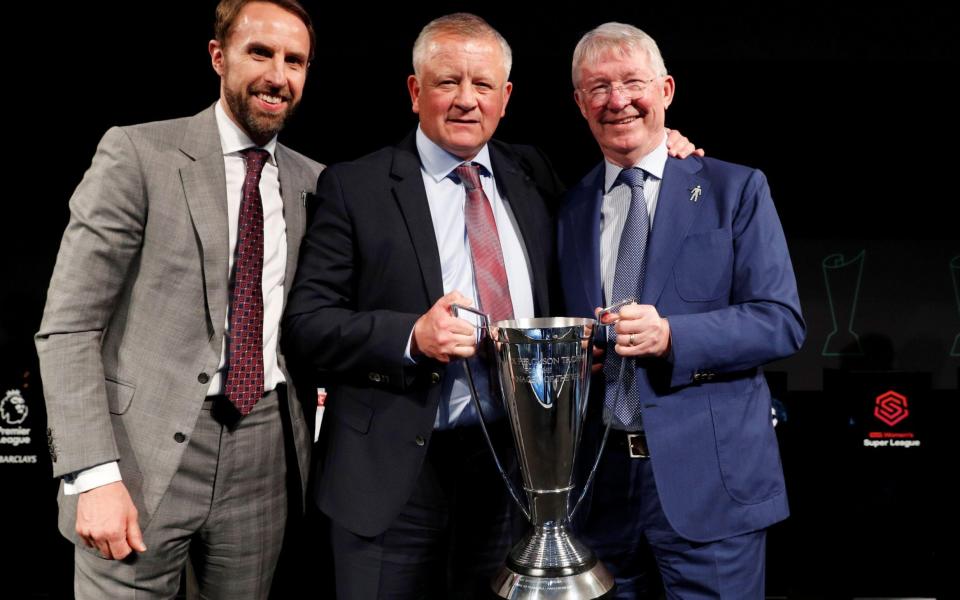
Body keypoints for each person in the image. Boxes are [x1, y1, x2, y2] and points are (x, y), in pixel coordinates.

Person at [283, 13, 696, 599]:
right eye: (448, 82)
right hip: (392, 480)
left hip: (513, 469)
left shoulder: (534, 173)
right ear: (414, 91)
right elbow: (306, 327)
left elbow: (630, 170)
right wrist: (410, 337)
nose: (465, 101)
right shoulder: (357, 185)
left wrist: (669, 146)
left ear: (505, 98)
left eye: (482, 86)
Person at [34, 1, 322, 597]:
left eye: (295, 61)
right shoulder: (137, 155)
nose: (278, 75)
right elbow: (69, 327)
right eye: (260, 53)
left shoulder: (314, 182)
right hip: (139, 453)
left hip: (265, 449)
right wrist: (92, 475)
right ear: (218, 57)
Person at [558, 22, 806, 598]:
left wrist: (672, 335)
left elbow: (781, 320)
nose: (617, 100)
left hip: (711, 487)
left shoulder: (734, 188)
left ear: (666, 90)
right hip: (600, 491)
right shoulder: (570, 208)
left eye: (632, 82)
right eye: (598, 88)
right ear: (579, 103)